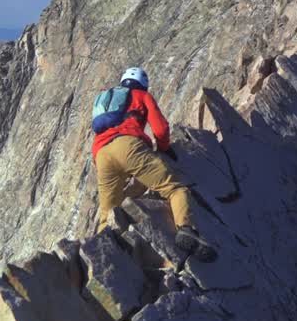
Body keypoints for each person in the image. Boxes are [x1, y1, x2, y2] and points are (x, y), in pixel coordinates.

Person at [92, 67, 216, 261]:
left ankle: (101, 255)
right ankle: (185, 230)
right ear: (144, 84)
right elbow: (160, 127)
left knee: (108, 212)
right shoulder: (141, 95)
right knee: (174, 189)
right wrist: (164, 148)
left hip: (101, 154)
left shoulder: (108, 100)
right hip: (128, 145)